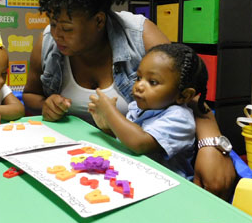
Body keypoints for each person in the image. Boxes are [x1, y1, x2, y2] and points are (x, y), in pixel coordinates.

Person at [22, 0, 236, 199]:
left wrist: (211, 145)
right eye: (53, 23)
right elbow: (30, 96)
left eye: (67, 28)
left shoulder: (140, 35)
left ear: (99, 21)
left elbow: (190, 90)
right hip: (79, 164)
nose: (57, 34)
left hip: (139, 166)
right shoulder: (47, 42)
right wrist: (47, 103)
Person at [88, 43, 208, 180]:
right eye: (139, 78)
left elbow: (140, 143)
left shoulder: (180, 119)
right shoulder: (139, 107)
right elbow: (128, 141)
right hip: (135, 176)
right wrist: (107, 127)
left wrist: (110, 112)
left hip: (167, 186)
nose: (139, 86)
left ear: (183, 96)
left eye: (153, 82)